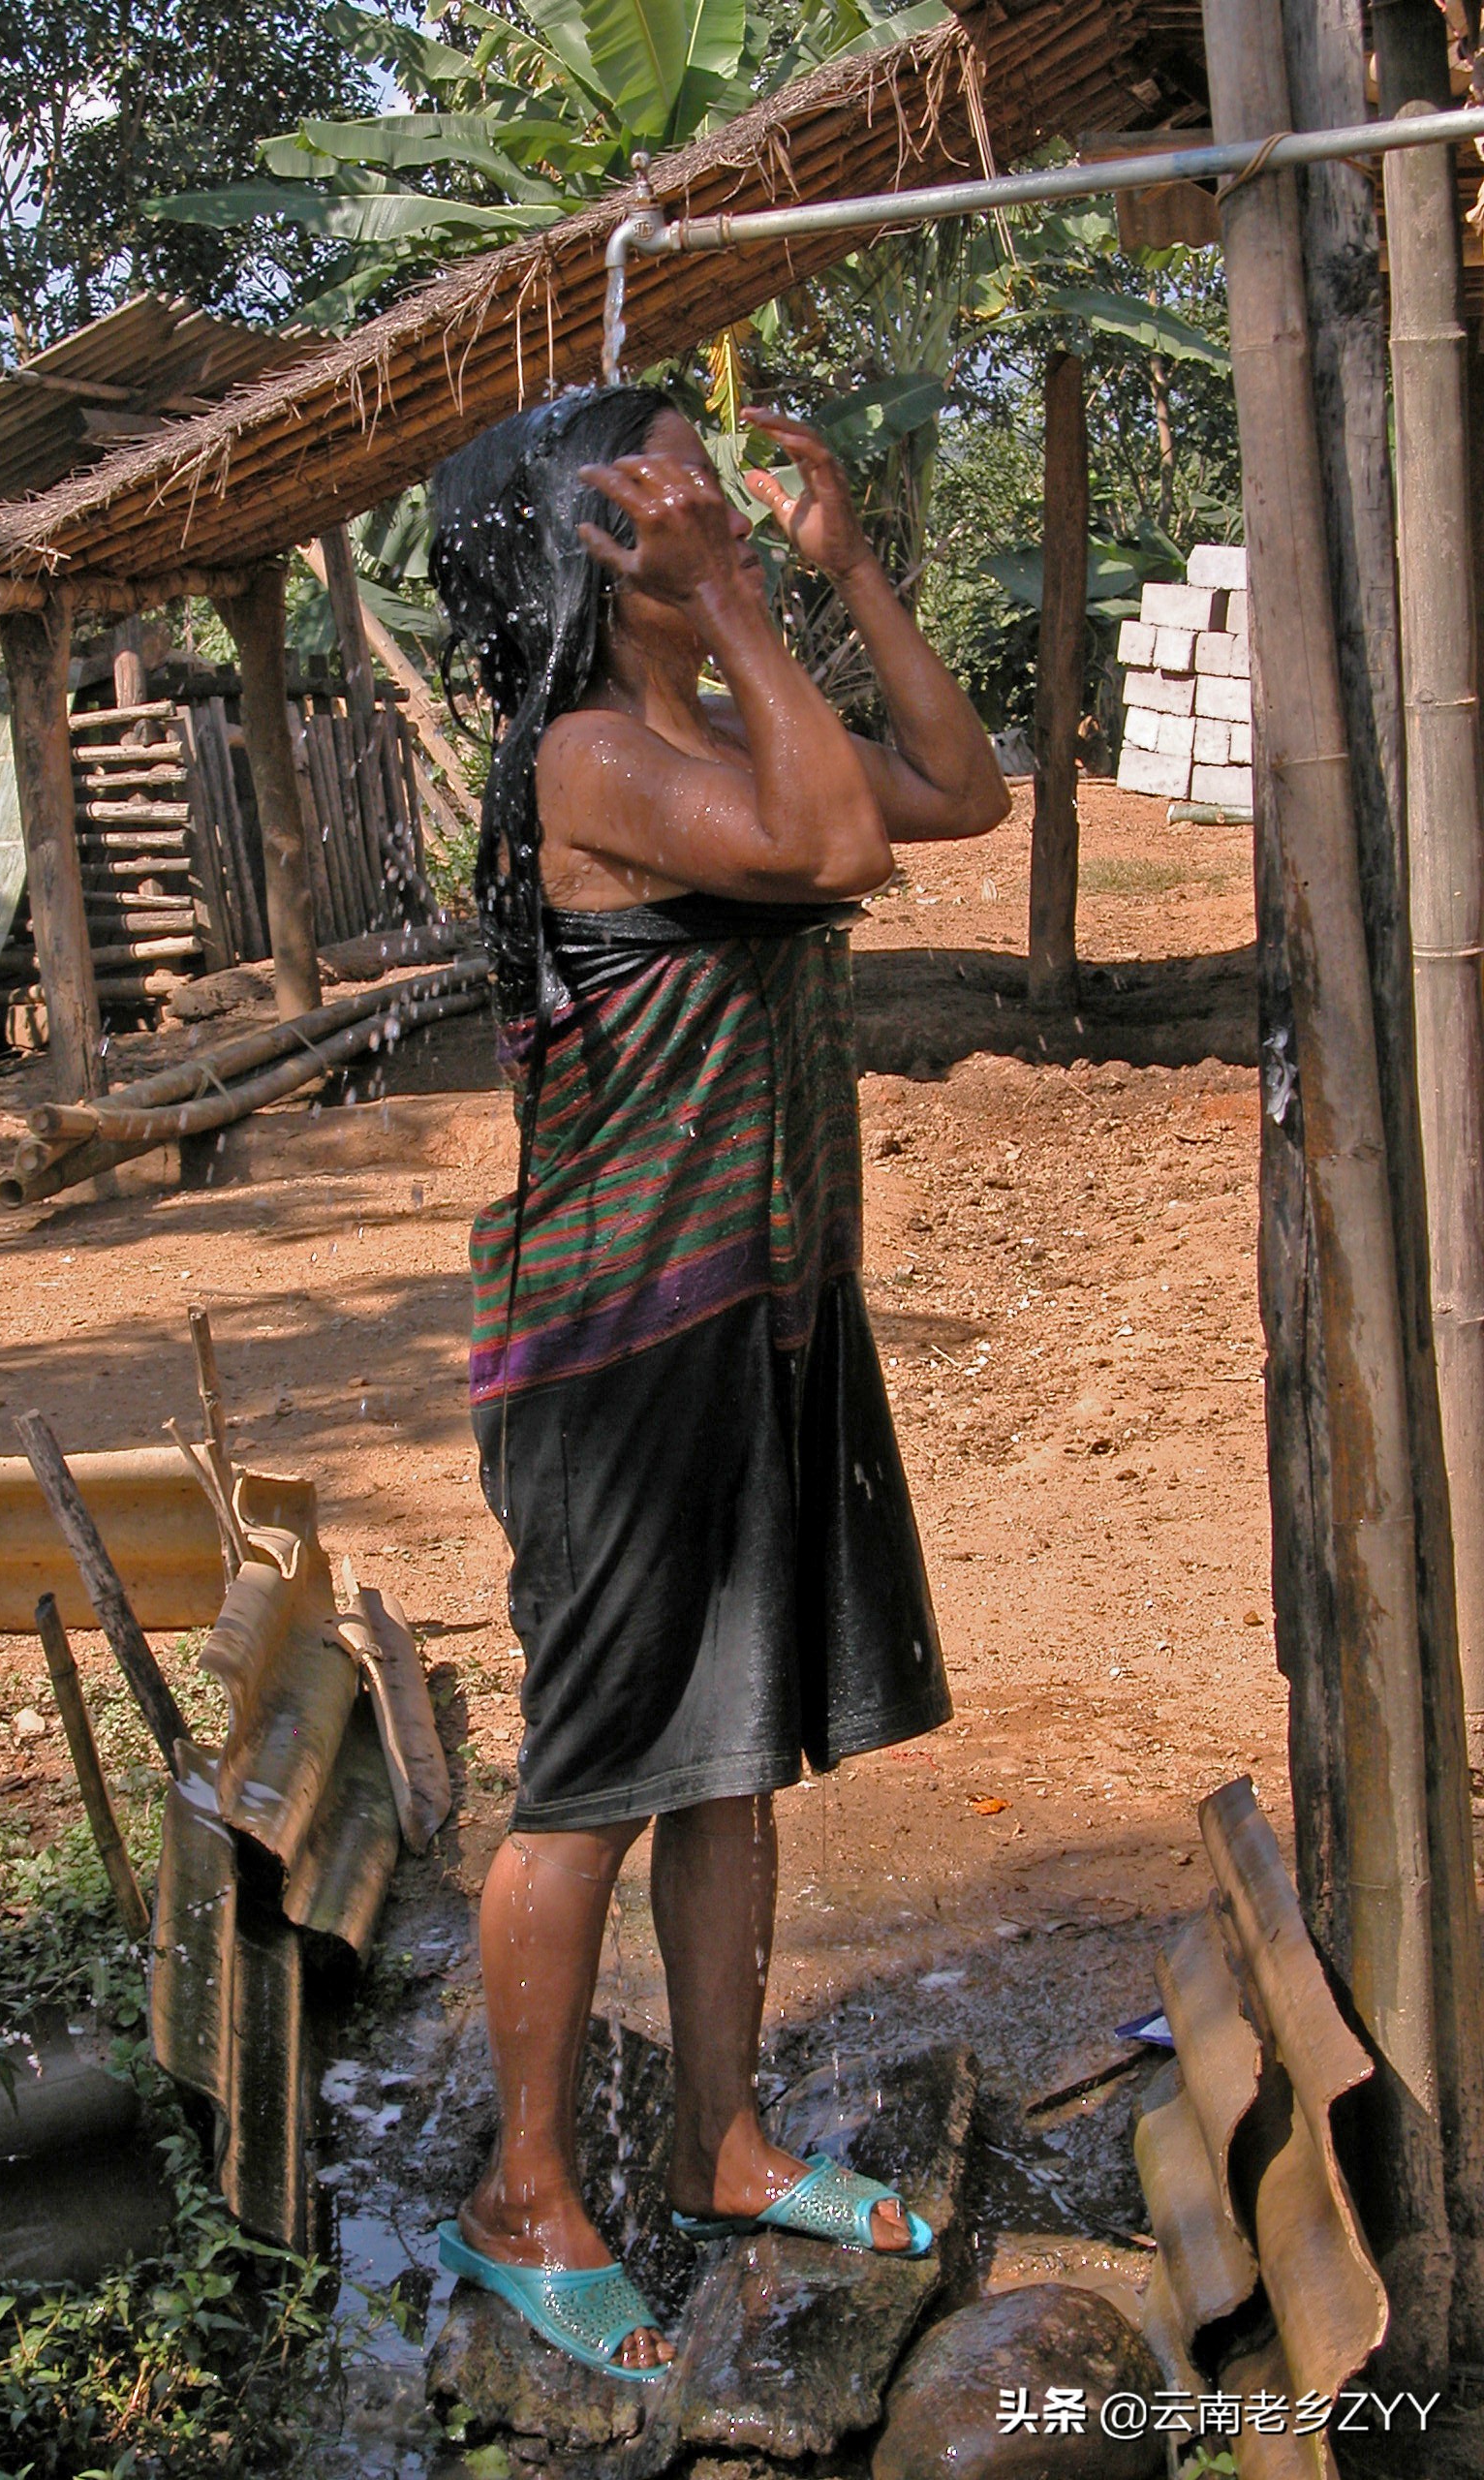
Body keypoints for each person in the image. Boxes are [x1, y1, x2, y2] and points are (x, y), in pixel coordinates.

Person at [426, 387, 1008, 2379]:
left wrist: (837, 572)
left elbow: (958, 784)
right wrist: (746, 591)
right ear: (593, 546)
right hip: (618, 1349)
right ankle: (525, 2191)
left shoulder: (708, 733)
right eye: (661, 475)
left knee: (730, 1749)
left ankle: (720, 2139)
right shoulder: (587, 757)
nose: (705, 492)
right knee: (593, 1774)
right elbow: (840, 831)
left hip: (751, 1307)